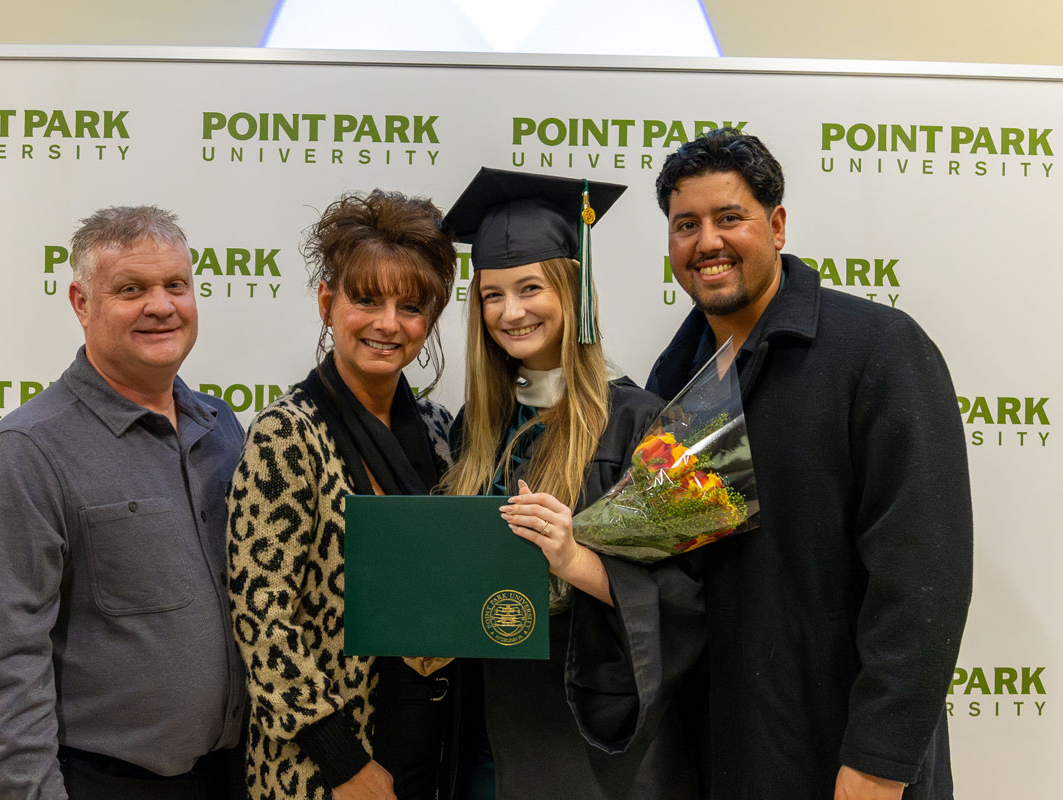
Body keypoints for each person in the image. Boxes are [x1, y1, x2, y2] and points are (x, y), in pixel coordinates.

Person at [642, 128, 972, 799]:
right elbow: (678, 573)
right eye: (687, 224)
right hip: (721, 752)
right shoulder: (673, 381)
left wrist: (880, 760)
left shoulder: (875, 349)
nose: (707, 242)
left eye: (729, 218)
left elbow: (923, 577)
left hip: (844, 757)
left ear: (777, 224)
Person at [0, 206, 248, 799]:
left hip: (232, 777)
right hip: (103, 784)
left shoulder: (222, 429)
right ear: (82, 303)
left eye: (175, 286)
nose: (161, 306)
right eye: (131, 289)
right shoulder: (25, 455)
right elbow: (3, 674)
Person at [440, 167, 705, 800]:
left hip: (598, 737)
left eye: (530, 287)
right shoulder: (473, 429)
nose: (511, 312)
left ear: (572, 289)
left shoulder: (647, 423)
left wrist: (574, 559)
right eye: (492, 295)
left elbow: (695, 597)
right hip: (488, 731)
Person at [225, 190, 460, 800]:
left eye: (410, 306)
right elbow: (262, 616)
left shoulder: (438, 431)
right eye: (366, 299)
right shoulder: (287, 434)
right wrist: (344, 763)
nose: (388, 324)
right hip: (323, 765)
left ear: (430, 319)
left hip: (428, 738)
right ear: (328, 303)